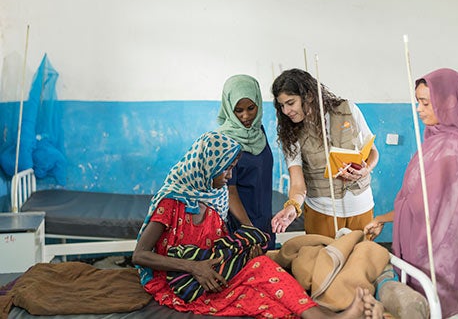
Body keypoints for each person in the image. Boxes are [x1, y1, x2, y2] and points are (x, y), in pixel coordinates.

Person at [133, 131, 383, 319]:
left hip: (209, 272)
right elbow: (140, 255)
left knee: (262, 266)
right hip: (179, 280)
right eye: (226, 170)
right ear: (207, 166)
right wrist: (194, 267)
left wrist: (242, 250)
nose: (229, 176)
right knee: (261, 294)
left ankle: (328, 316)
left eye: (231, 169)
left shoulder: (213, 198)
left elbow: (219, 245)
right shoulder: (171, 203)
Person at [364, 68, 458, 318]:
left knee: (435, 308)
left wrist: (382, 218)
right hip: (435, 246)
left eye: (426, 102)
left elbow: (421, 204)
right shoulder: (439, 139)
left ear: (448, 103)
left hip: (442, 256)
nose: (419, 109)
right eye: (418, 102)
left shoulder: (451, 148)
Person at [270, 68, 379, 239]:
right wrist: (292, 207)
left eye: (291, 103)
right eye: (282, 105)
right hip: (322, 212)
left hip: (361, 206)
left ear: (309, 96)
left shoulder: (347, 110)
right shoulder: (290, 133)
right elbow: (298, 185)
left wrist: (366, 169)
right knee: (323, 262)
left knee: (359, 261)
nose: (286, 111)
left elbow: (372, 151)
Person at [216, 74, 275, 249]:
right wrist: (249, 230)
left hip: (264, 218)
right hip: (240, 224)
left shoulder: (259, 132)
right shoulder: (224, 141)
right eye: (238, 110)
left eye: (251, 108)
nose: (246, 116)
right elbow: (229, 191)